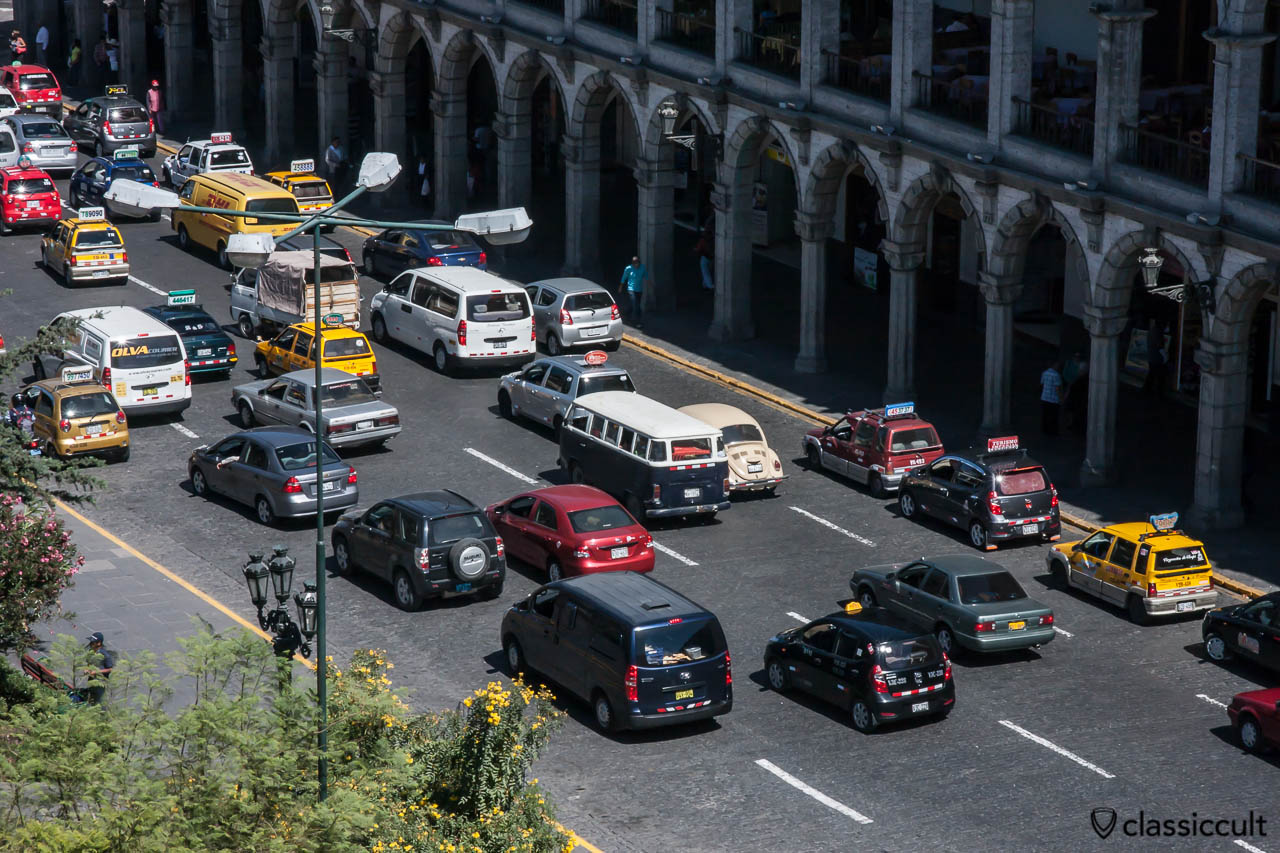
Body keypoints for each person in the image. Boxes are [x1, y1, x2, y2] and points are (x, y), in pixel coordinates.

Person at [83, 632, 115, 705]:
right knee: (90, 698)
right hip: (91, 680)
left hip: (100, 682)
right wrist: (86, 669)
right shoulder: (91, 652)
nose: (91, 644)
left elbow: (110, 669)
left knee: (99, 701)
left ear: (99, 643)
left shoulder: (105, 655)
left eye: (93, 642)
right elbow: (88, 663)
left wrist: (96, 672)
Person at [620, 256, 647, 328]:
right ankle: (637, 322)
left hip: (639, 290)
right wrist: (620, 287)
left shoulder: (642, 268)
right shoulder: (628, 268)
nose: (636, 264)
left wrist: (651, 285)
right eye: (634, 263)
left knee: (634, 304)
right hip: (631, 289)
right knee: (636, 305)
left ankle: (626, 313)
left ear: (639, 262)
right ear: (632, 263)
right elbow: (624, 278)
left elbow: (646, 277)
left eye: (637, 263)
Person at [1040, 361, 1063, 436]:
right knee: (1053, 416)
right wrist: (1061, 398)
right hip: (1053, 399)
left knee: (1045, 414)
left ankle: (1045, 429)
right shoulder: (1056, 375)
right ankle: (1053, 431)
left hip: (1045, 397)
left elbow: (1042, 384)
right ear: (1055, 365)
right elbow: (1057, 388)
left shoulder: (1044, 373)